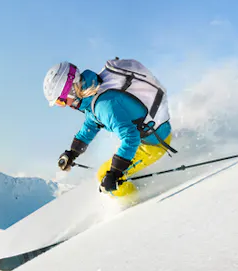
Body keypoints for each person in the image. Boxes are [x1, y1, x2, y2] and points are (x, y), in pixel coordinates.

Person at [43, 59, 176, 198]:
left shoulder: (104, 105)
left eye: (60, 100)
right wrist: (72, 153)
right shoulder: (94, 93)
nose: (63, 105)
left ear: (69, 90)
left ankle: (139, 205)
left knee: (103, 177)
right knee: (110, 169)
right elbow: (90, 125)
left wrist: (115, 172)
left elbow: (131, 137)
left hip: (154, 144)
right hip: (152, 134)